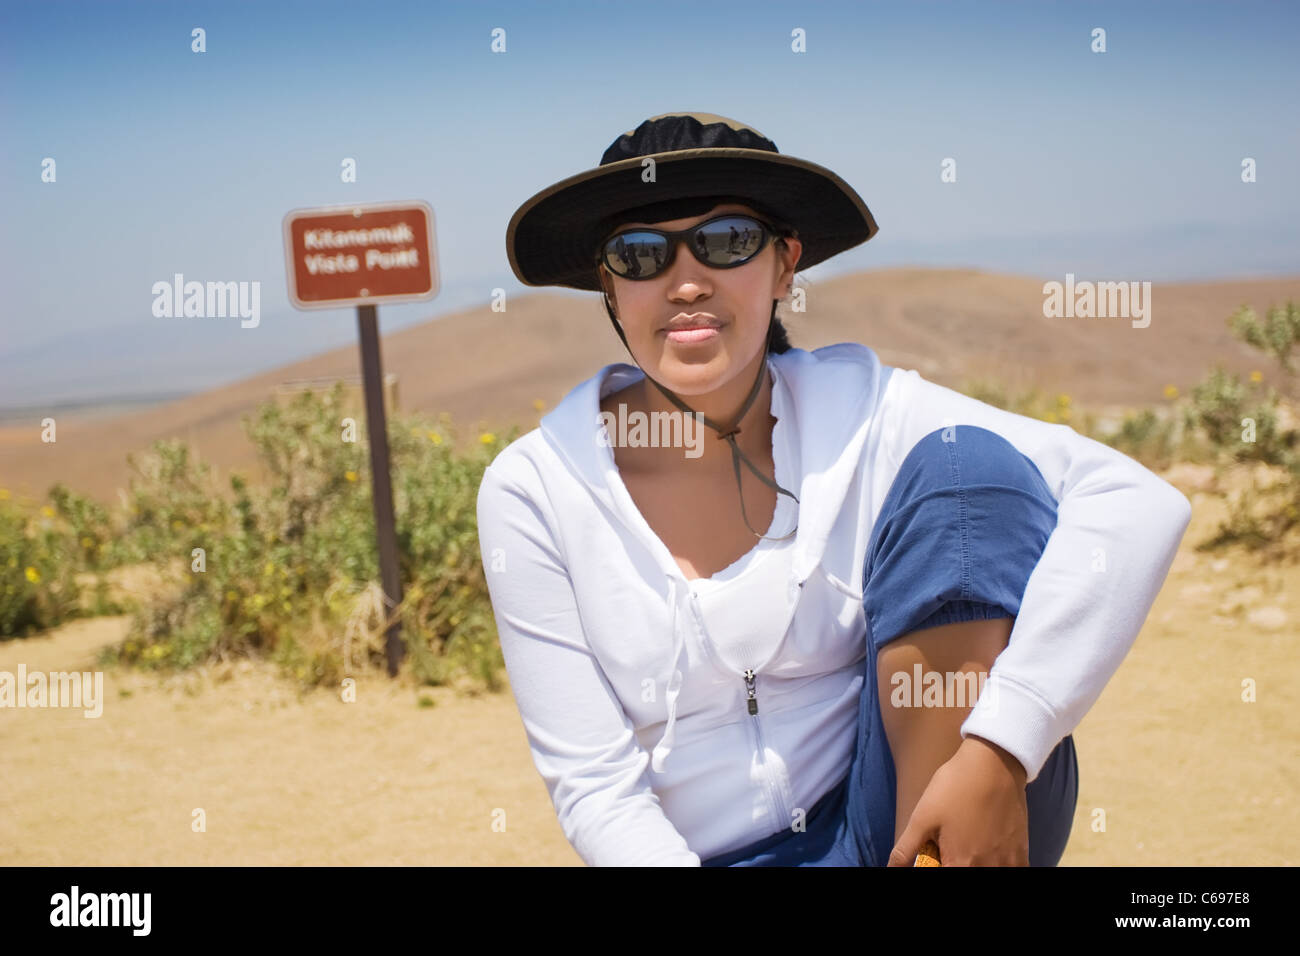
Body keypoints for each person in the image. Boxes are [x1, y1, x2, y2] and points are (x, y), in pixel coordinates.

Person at [484, 112, 1192, 866]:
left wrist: (1004, 745)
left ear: (785, 265)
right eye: (639, 254)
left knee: (967, 469)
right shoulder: (537, 490)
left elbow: (1137, 502)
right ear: (609, 286)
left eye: (727, 241)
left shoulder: (867, 411)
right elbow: (596, 788)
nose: (685, 281)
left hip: (889, 822)